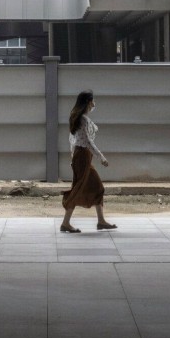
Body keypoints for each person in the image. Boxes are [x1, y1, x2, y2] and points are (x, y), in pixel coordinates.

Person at [60, 90, 117, 233]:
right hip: (83, 156)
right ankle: (66, 223)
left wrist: (73, 156)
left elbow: (72, 140)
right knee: (79, 188)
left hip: (81, 156)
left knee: (97, 187)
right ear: (88, 102)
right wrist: (101, 157)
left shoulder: (79, 117)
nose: (94, 103)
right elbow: (88, 142)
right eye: (92, 100)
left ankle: (101, 221)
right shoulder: (82, 119)